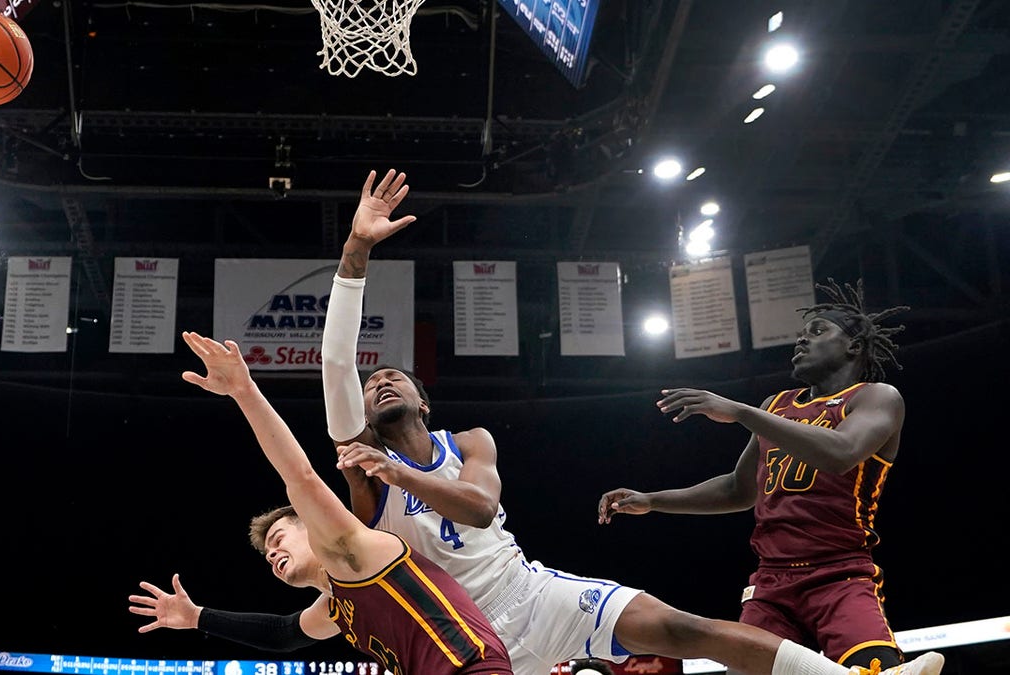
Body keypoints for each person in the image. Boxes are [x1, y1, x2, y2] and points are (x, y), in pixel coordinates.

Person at [182, 169, 944, 675]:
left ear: (423, 397)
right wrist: (354, 250)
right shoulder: (360, 468)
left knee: (679, 626)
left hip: (530, 590)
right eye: (373, 381)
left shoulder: (467, 443)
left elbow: (480, 508)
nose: (380, 380)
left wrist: (408, 473)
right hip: (470, 635)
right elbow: (334, 363)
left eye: (396, 375)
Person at [129, 333, 515, 675]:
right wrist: (198, 617)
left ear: (314, 526)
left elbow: (299, 475)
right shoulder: (339, 599)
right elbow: (282, 634)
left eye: (279, 537)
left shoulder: (355, 551)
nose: (272, 553)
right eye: (268, 552)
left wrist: (244, 392)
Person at [597, 279, 917, 673]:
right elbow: (738, 488)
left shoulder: (876, 397)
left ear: (853, 346)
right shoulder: (777, 406)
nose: (801, 341)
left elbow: (842, 454)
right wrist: (653, 499)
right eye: (801, 334)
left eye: (817, 332)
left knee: (875, 669)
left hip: (840, 573)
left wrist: (741, 412)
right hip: (770, 584)